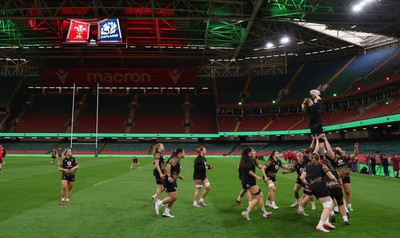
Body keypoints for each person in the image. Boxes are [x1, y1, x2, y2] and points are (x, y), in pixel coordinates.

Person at [300, 152, 337, 233]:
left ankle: (326, 222)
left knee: (330, 202)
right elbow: (331, 176)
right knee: (328, 206)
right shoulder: (322, 165)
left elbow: (302, 177)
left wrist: (308, 183)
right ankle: (320, 225)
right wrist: (335, 178)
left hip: (313, 187)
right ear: (319, 158)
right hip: (321, 186)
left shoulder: (307, 166)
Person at [323, 134, 358, 212]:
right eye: (336, 149)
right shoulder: (333, 158)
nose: (338, 150)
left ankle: (349, 206)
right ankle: (337, 207)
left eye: (339, 149)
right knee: (337, 193)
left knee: (347, 192)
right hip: (337, 177)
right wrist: (324, 142)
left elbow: (355, 154)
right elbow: (328, 150)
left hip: (345, 176)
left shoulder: (345, 157)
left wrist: (356, 148)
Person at [238, 147, 271, 220]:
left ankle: (264, 212)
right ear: (249, 153)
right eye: (253, 151)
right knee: (257, 197)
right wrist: (256, 176)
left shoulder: (250, 159)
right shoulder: (248, 160)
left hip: (249, 180)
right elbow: (248, 170)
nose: (254, 152)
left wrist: (267, 165)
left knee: (261, 195)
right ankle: (246, 212)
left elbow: (260, 167)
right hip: (249, 181)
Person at [154, 148, 185, 218]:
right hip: (168, 180)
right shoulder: (175, 158)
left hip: (173, 180)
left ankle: (166, 212)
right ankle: (158, 204)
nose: (184, 153)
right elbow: (168, 166)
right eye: (184, 152)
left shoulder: (177, 159)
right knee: (173, 197)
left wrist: (178, 176)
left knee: (174, 198)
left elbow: (172, 169)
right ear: (180, 153)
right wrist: (169, 176)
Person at [322, 159, 351, 225]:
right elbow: (341, 183)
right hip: (337, 188)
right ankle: (345, 220)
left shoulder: (322, 172)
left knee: (329, 204)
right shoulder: (335, 170)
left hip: (328, 189)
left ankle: (332, 215)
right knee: (341, 204)